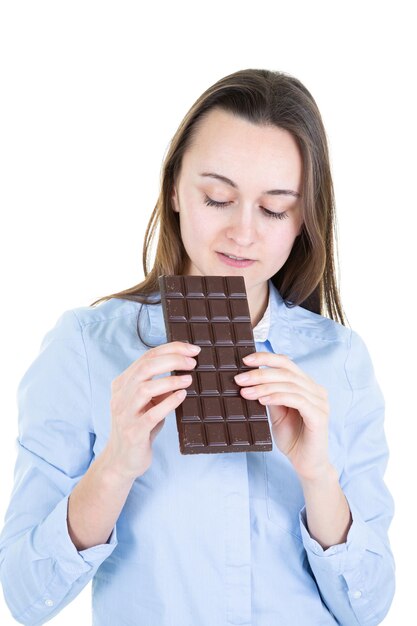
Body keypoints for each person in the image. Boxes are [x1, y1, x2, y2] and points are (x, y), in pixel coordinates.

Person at [0, 68, 395, 625]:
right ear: (175, 192)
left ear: (304, 217)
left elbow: (368, 609)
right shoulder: (85, 348)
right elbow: (25, 594)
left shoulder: (342, 360)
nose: (243, 232)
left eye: (275, 208)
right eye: (217, 198)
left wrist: (318, 475)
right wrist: (115, 466)